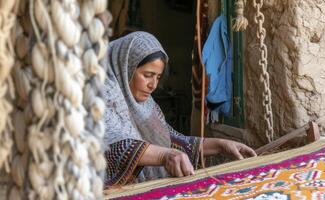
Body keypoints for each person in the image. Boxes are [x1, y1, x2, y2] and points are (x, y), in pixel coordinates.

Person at [103, 31, 256, 186]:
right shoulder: (99, 98)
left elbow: (174, 141)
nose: (153, 85)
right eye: (147, 75)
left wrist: (221, 145)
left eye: (158, 77)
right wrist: (164, 156)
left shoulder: (146, 105)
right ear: (125, 68)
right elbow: (114, 147)